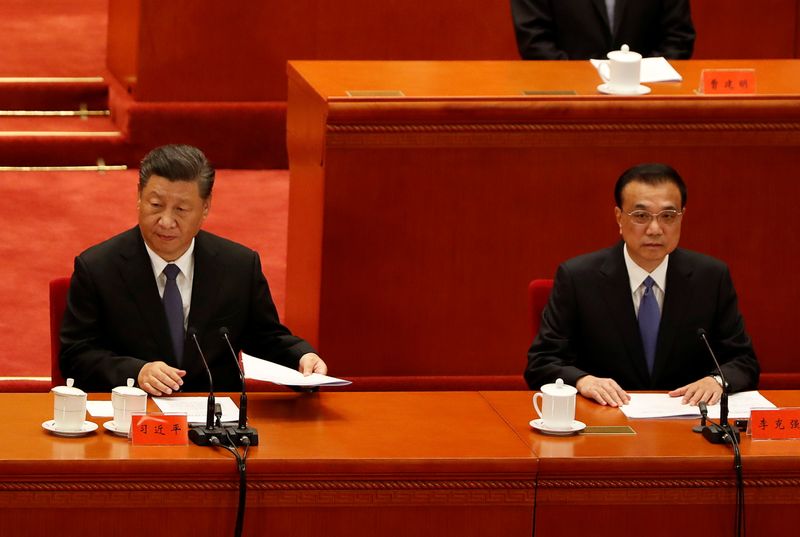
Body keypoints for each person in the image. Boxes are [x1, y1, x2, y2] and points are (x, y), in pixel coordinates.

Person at [60, 144, 327, 395]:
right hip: (132, 416)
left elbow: (266, 337)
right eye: (155, 205)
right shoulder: (98, 267)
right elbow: (75, 355)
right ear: (138, 198)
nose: (165, 221)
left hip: (216, 421)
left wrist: (302, 357)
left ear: (205, 208)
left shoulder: (238, 266)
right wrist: (137, 372)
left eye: (181, 209)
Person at [525, 163, 759, 407]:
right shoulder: (578, 278)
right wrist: (583, 381)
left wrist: (717, 381)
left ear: (682, 217)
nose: (655, 229)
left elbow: (744, 361)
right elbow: (541, 363)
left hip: (687, 425)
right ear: (619, 217)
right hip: (604, 424)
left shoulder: (710, 277)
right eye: (641, 216)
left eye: (668, 216)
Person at [510, 0, 695, 60]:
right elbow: (533, 38)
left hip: (648, 106)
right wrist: (579, 80)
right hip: (567, 107)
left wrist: (636, 80)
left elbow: (678, 37)